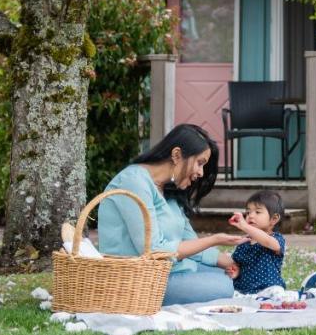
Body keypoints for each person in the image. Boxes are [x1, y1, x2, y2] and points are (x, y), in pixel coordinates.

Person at [96, 123, 244, 306]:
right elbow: (153, 250)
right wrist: (214, 239)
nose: (201, 172)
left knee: (228, 276)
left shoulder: (170, 190)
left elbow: (190, 241)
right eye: (199, 163)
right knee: (224, 286)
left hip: (169, 271)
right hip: (138, 281)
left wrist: (229, 262)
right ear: (176, 155)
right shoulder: (133, 182)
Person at [227, 190, 287, 294]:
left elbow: (269, 243)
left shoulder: (275, 238)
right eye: (248, 212)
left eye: (257, 212)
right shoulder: (244, 242)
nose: (250, 216)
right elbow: (238, 264)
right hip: (244, 290)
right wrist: (235, 272)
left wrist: (245, 226)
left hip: (269, 288)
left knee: (277, 293)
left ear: (274, 219)